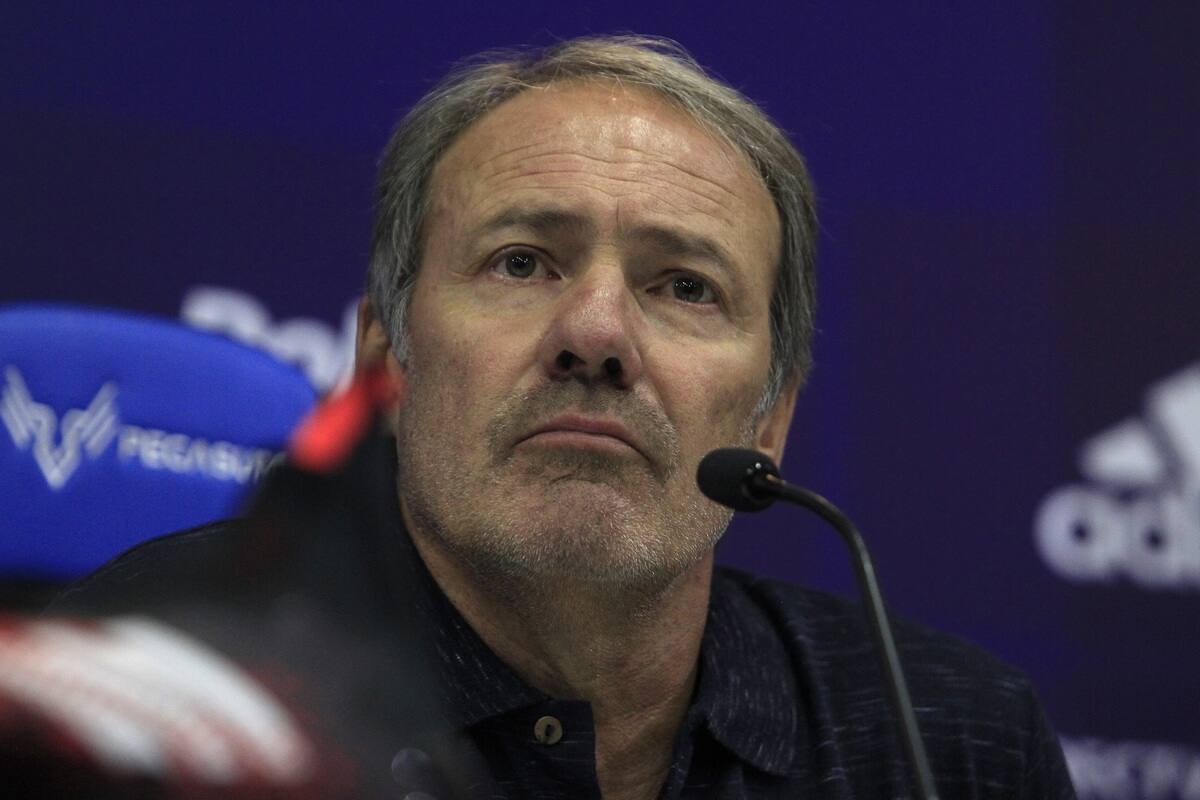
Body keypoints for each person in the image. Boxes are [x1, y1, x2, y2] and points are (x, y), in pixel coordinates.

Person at [50, 35, 1075, 798]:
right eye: (522, 262)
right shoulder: (143, 695)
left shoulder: (948, 742)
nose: (596, 333)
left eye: (685, 286)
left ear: (770, 420)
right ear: (382, 365)